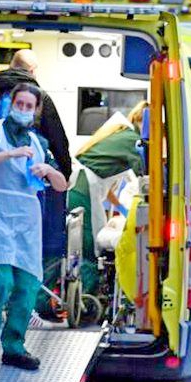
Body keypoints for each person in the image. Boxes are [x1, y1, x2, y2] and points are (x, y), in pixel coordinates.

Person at [0, 83, 68, 370]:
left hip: (26, 219)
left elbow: (61, 184)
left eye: (28, 106)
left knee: (28, 284)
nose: (23, 110)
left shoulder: (40, 144)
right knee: (0, 282)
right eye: (19, 104)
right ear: (10, 104)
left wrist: (48, 170)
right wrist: (9, 155)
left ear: (36, 111)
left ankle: (14, 347)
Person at [64, 101, 148, 296]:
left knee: (85, 238)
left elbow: (108, 181)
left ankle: (84, 292)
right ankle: (87, 294)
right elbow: (144, 174)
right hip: (85, 187)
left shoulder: (119, 132)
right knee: (90, 242)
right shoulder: (132, 140)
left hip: (81, 185)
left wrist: (119, 206)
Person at [0, 49, 72, 180]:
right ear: (32, 70)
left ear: (11, 65)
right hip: (26, 171)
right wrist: (65, 173)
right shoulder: (39, 97)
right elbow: (57, 139)